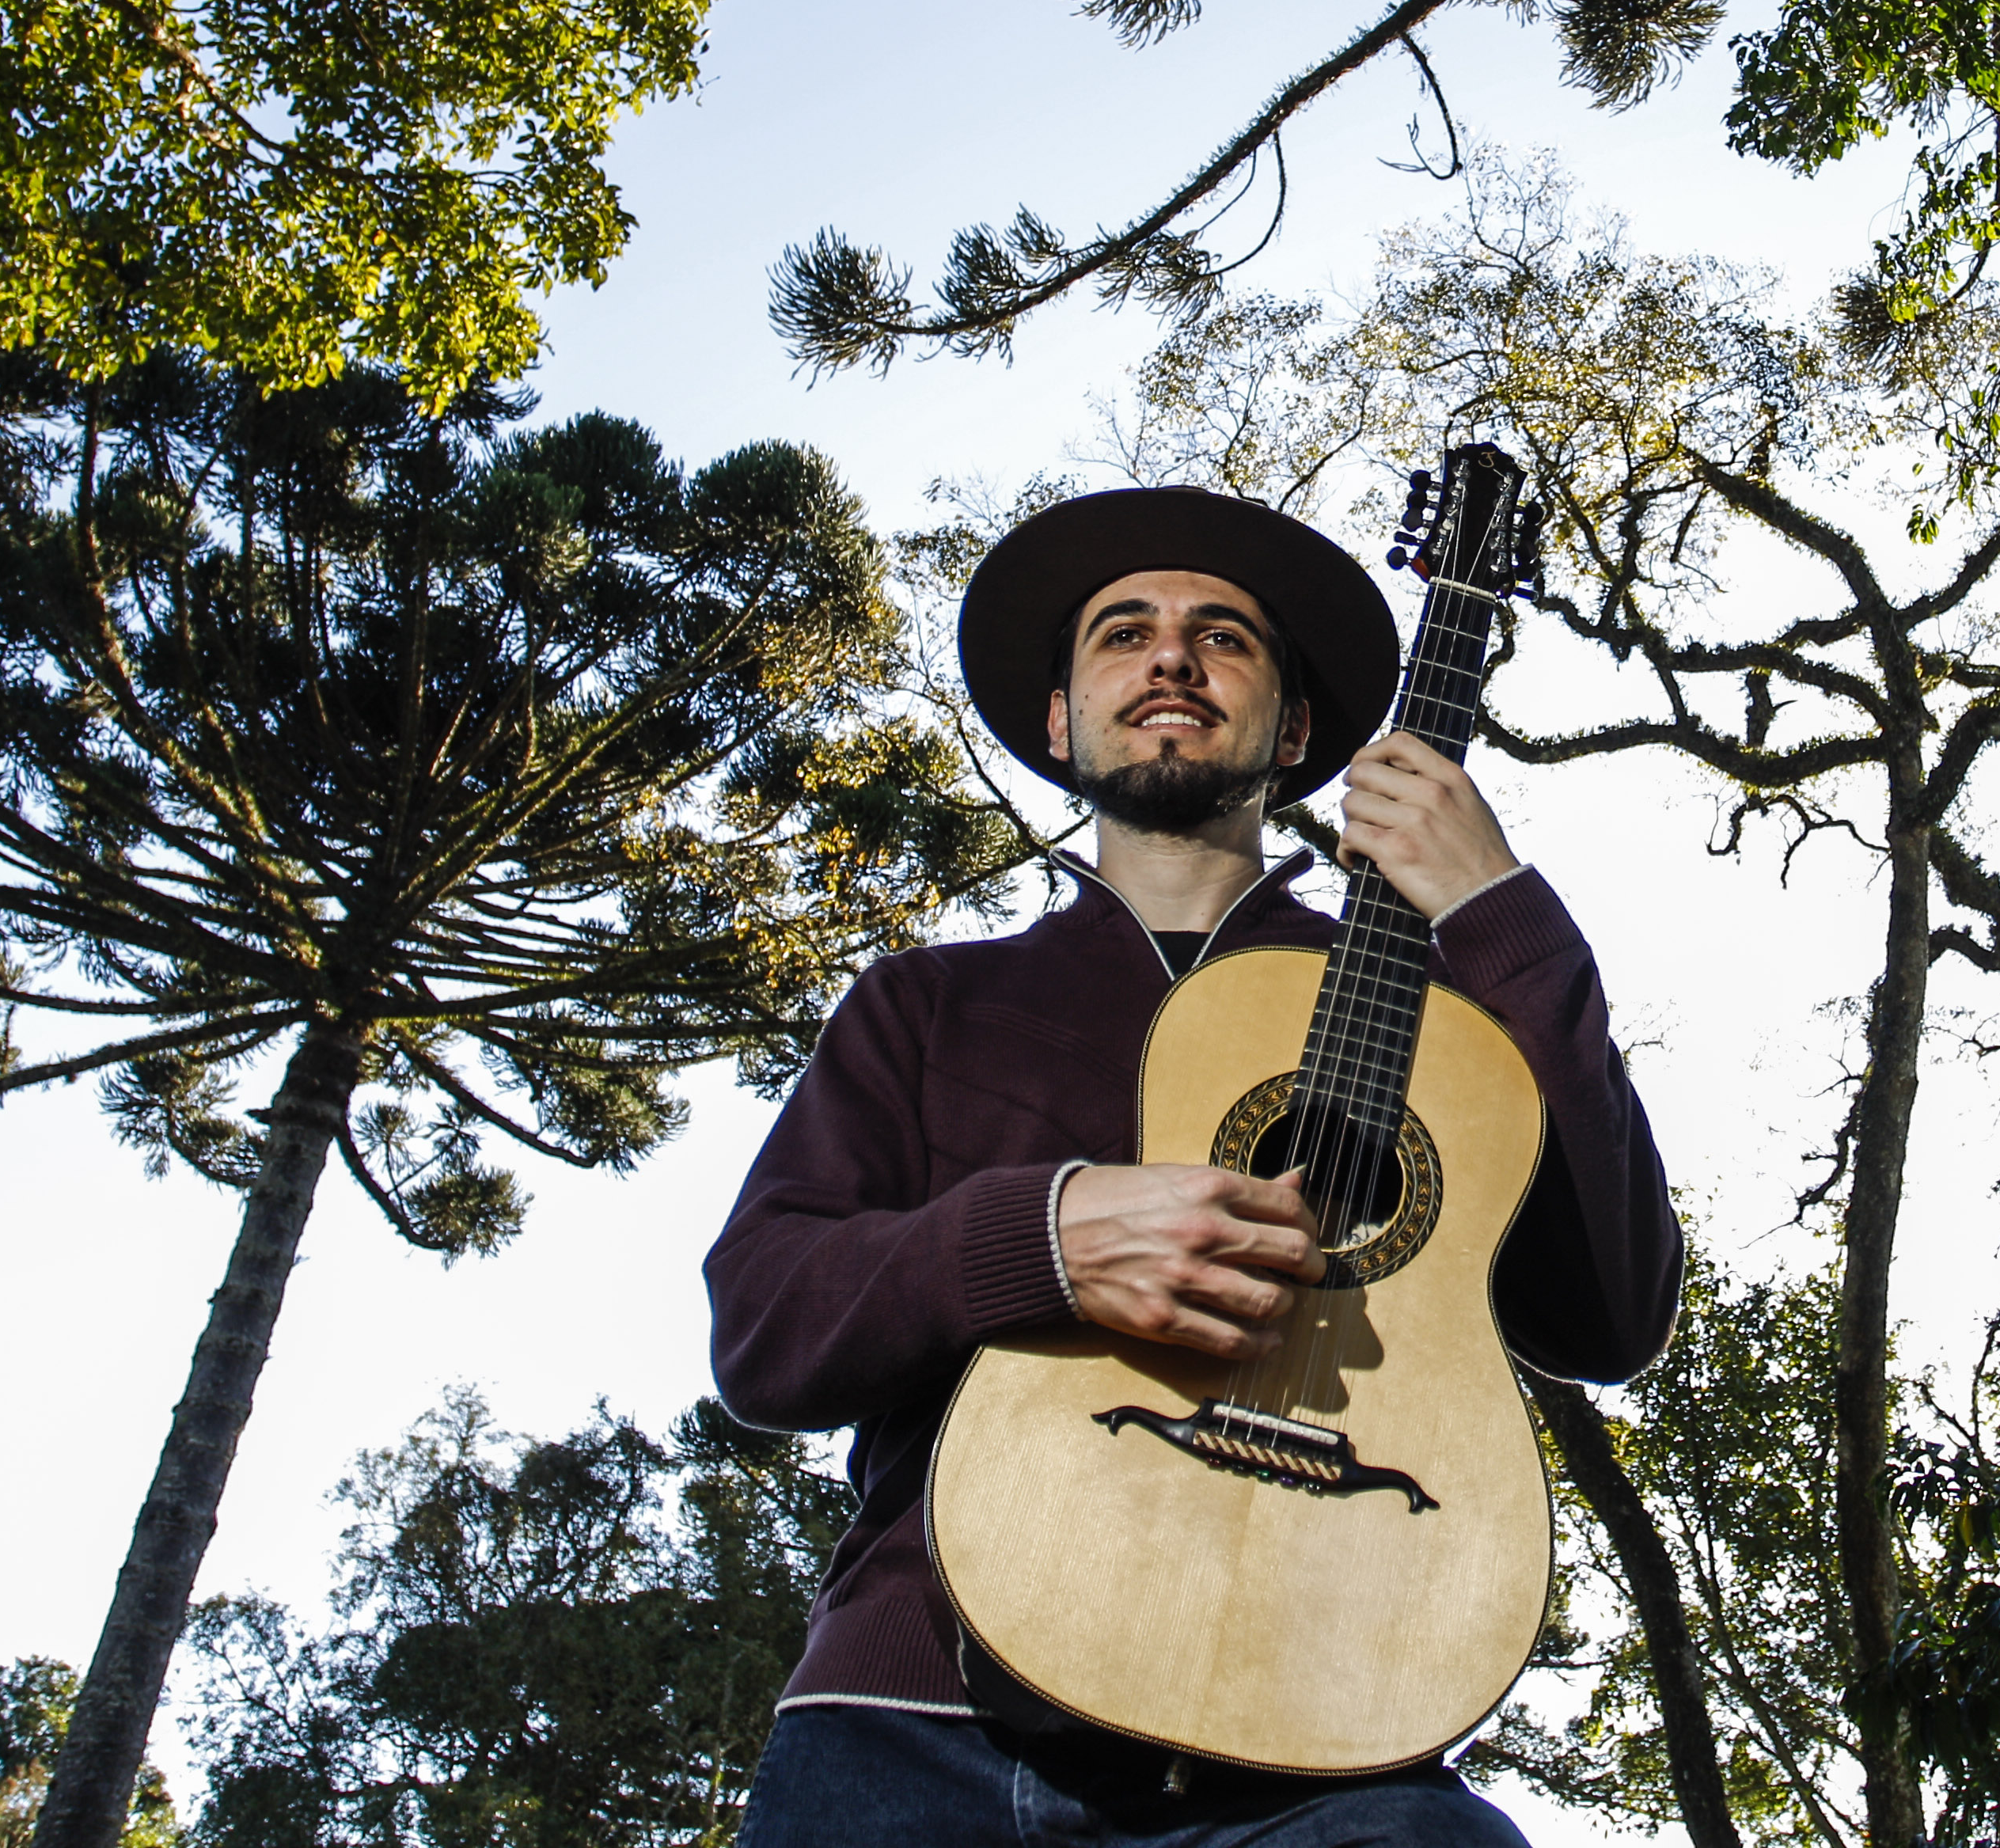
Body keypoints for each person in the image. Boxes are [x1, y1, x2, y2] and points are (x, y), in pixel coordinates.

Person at [711, 485, 1685, 1847]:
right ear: (1060, 721)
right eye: (1124, 633)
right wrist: (1043, 1237)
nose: (1171, 657)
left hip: (1326, 1751)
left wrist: (1501, 913)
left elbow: (1615, 1314)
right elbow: (763, 1328)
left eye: (1222, 636)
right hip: (919, 1729)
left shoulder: (1445, 1028)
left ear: (1293, 731)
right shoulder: (925, 1005)